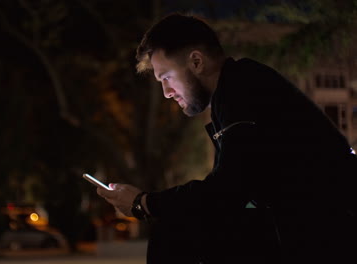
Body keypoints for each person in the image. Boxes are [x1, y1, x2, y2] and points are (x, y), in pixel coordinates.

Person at [97, 13, 357, 264]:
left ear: (196, 62)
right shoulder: (234, 91)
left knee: (175, 231)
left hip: (330, 231)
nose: (166, 92)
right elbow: (231, 191)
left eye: (166, 77)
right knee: (184, 225)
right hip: (305, 226)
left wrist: (143, 203)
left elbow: (227, 191)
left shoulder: (242, 89)